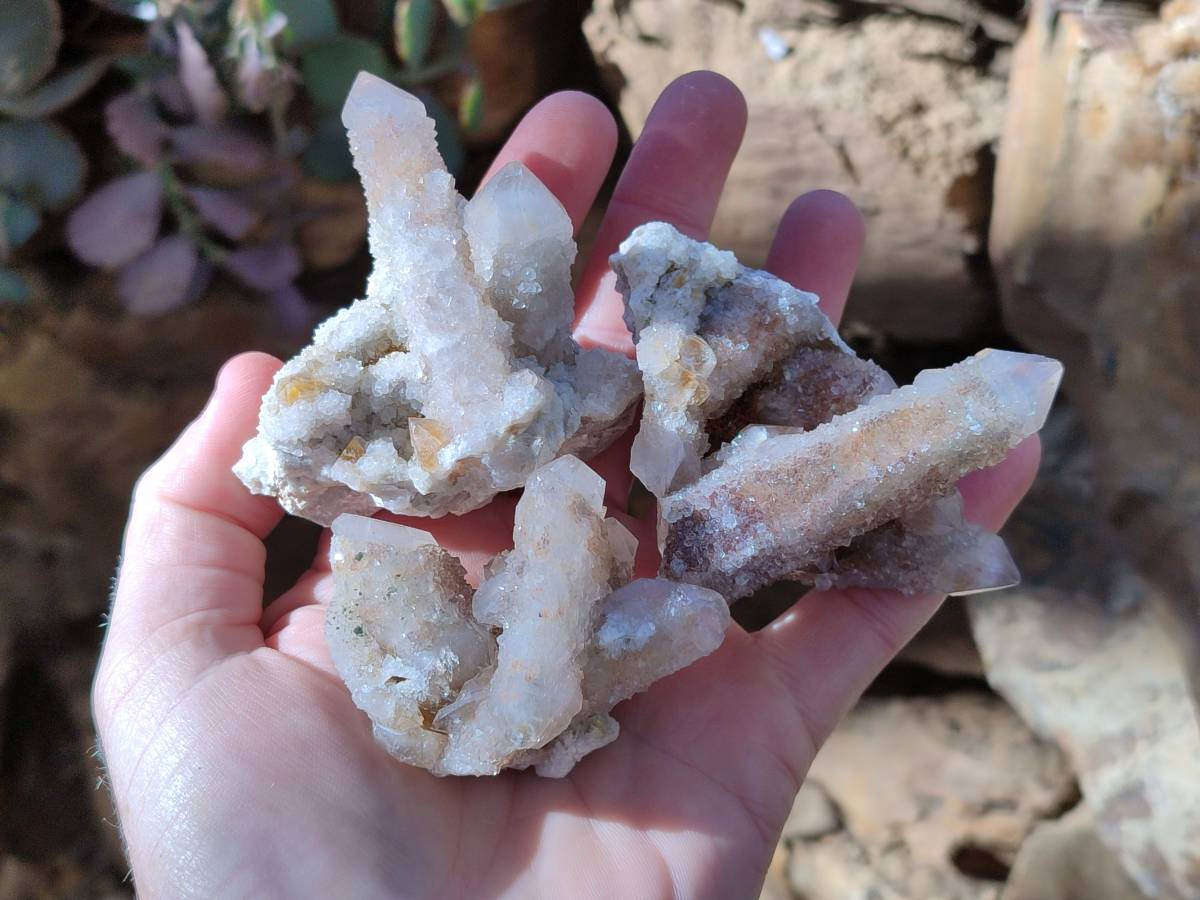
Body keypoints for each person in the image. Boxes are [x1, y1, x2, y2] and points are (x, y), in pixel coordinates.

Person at [92, 71, 1039, 899]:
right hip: (526, 533)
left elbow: (635, 596)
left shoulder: (597, 492)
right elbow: (587, 623)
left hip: (585, 499)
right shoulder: (460, 509)